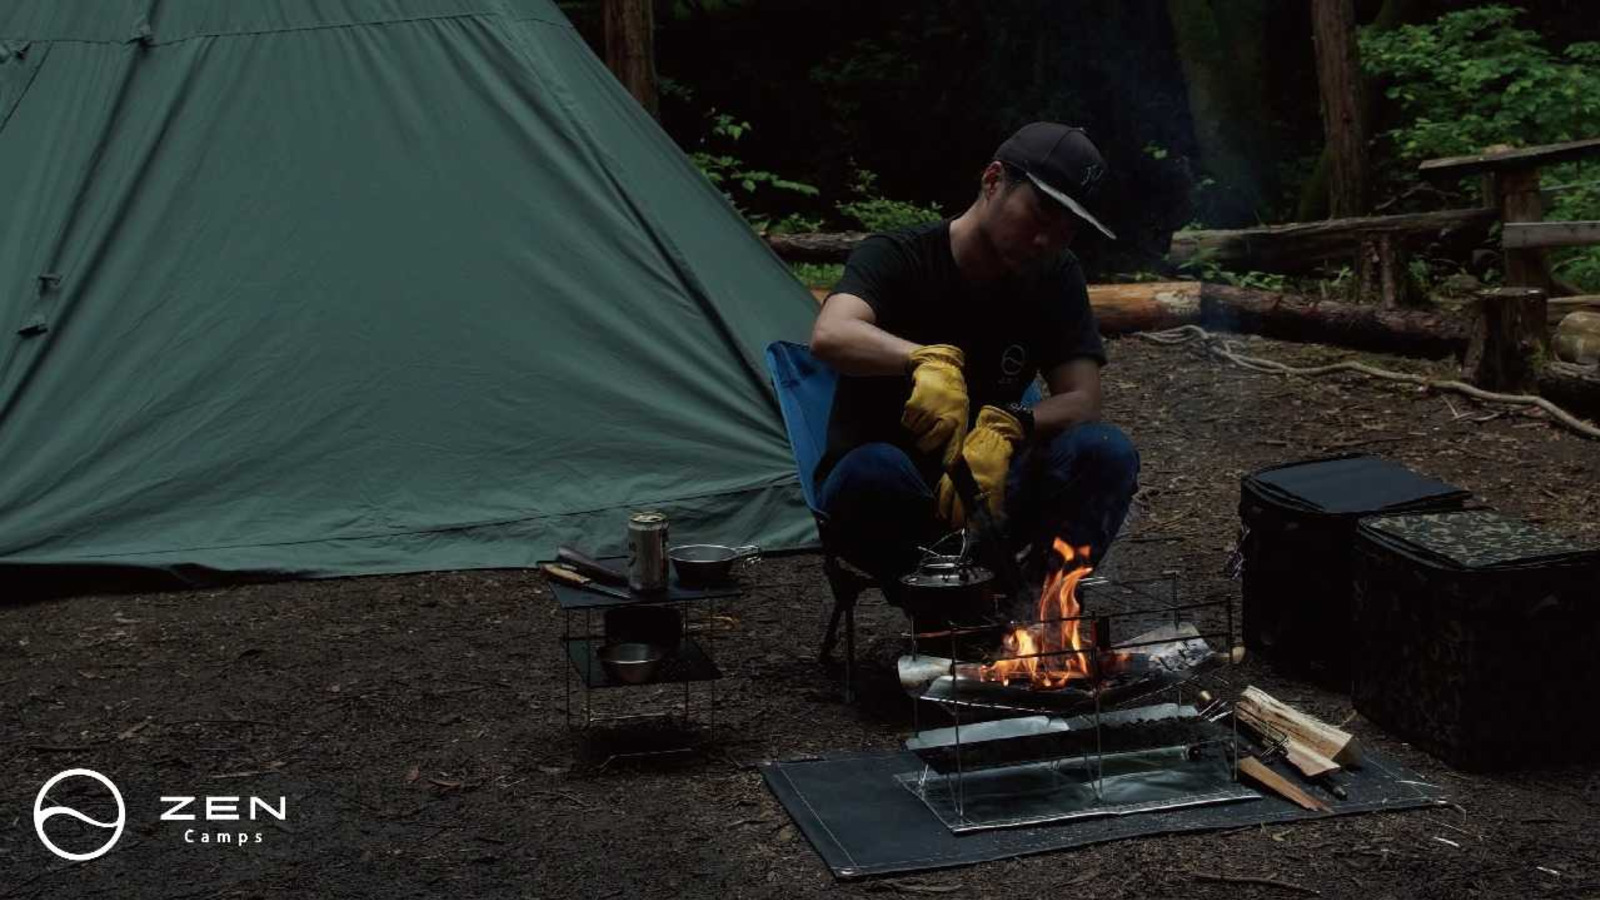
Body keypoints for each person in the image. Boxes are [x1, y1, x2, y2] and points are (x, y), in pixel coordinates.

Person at [809, 122, 1140, 602]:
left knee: (1106, 450)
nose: (1047, 239)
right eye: (1040, 213)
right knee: (871, 469)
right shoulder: (900, 256)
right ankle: (951, 611)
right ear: (992, 181)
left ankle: (1038, 612)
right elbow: (830, 333)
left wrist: (1012, 426)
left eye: (1067, 229)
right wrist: (921, 360)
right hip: (890, 498)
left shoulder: (1055, 276)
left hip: (992, 495)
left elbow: (1083, 401)